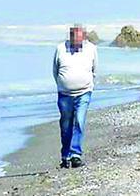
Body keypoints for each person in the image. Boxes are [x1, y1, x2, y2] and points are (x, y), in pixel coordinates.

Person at [53, 24, 97, 169]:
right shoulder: (60, 48)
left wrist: (88, 84)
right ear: (70, 38)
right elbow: (55, 70)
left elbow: (94, 69)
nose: (76, 42)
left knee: (79, 121)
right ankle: (65, 155)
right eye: (73, 39)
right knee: (66, 125)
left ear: (83, 38)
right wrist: (62, 84)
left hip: (84, 92)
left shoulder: (91, 49)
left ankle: (75, 154)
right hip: (65, 94)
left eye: (79, 40)